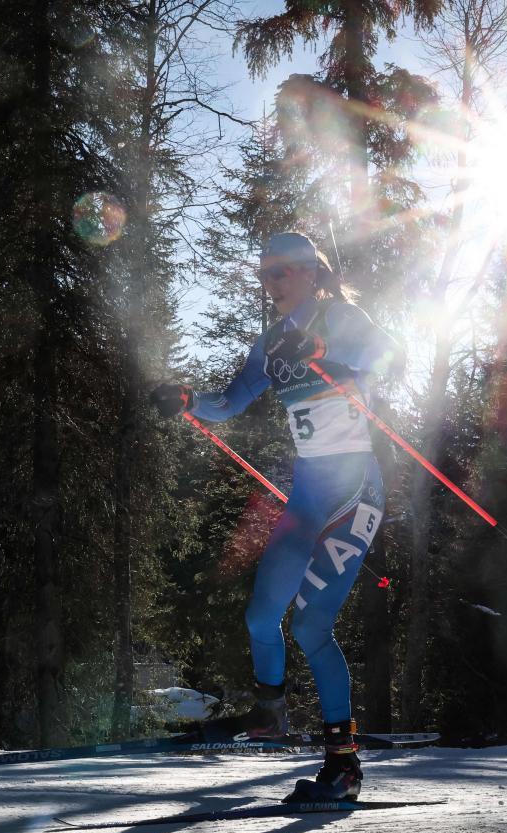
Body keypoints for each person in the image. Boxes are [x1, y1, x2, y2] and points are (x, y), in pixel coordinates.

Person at [150, 231, 402, 802]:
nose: (273, 283)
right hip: (308, 495)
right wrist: (190, 402)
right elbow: (233, 399)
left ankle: (343, 766)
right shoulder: (270, 342)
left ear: (312, 272)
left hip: (354, 491)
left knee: (312, 626)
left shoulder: (342, 316)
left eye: (284, 272)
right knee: (262, 616)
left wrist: (321, 354)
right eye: (265, 274)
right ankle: (270, 715)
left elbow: (391, 355)